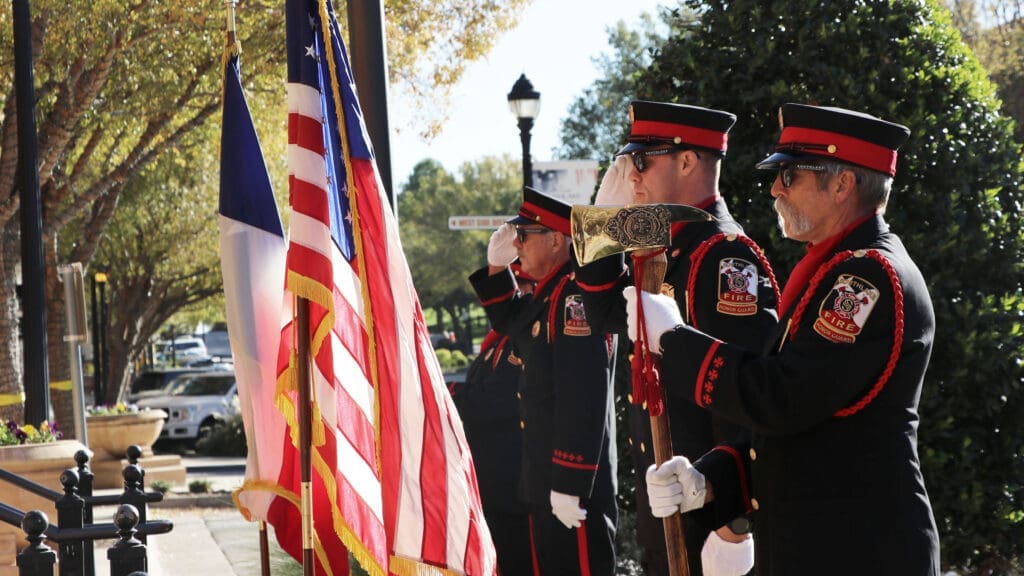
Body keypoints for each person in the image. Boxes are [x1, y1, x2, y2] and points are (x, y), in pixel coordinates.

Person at [633, 103, 941, 575]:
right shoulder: (833, 268)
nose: (776, 188)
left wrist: (674, 341)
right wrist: (711, 480)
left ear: (842, 184)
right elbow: (796, 430)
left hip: (859, 550)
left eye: (791, 175)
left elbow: (782, 397)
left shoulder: (865, 277)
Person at [574, 100, 780, 576]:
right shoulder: (665, 235)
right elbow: (604, 311)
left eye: (642, 162)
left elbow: (744, 392)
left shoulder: (724, 257)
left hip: (705, 505)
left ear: (687, 161)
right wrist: (601, 221)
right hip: (665, 495)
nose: (632, 176)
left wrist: (735, 525)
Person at [470, 186, 617, 575]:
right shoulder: (550, 295)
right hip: (545, 478)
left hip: (572, 484)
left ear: (556, 240)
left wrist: (571, 481)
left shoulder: (575, 297)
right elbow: (512, 324)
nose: (517, 244)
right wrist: (497, 268)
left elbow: (584, 390)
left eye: (524, 236)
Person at [450, 265, 535, 575]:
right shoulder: (498, 341)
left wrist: (443, 394)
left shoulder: (524, 341)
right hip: (492, 484)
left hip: (512, 487)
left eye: (521, 287)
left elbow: (494, 401)